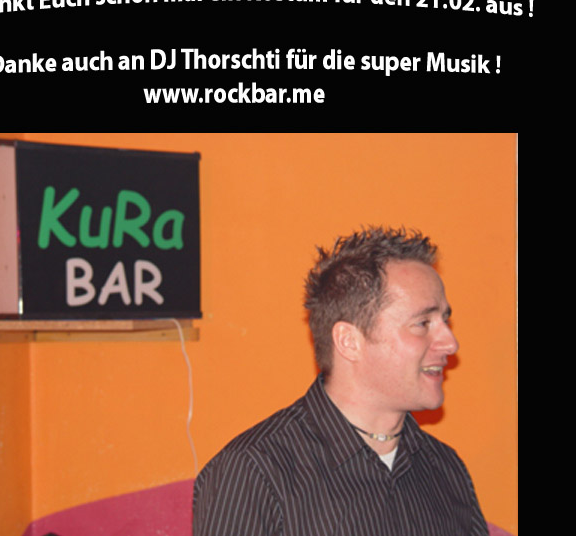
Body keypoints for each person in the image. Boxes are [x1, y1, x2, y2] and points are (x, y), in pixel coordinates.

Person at [193, 226, 489, 535]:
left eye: (445, 320)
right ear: (349, 341)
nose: (450, 343)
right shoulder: (254, 472)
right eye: (422, 323)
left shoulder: (444, 467)